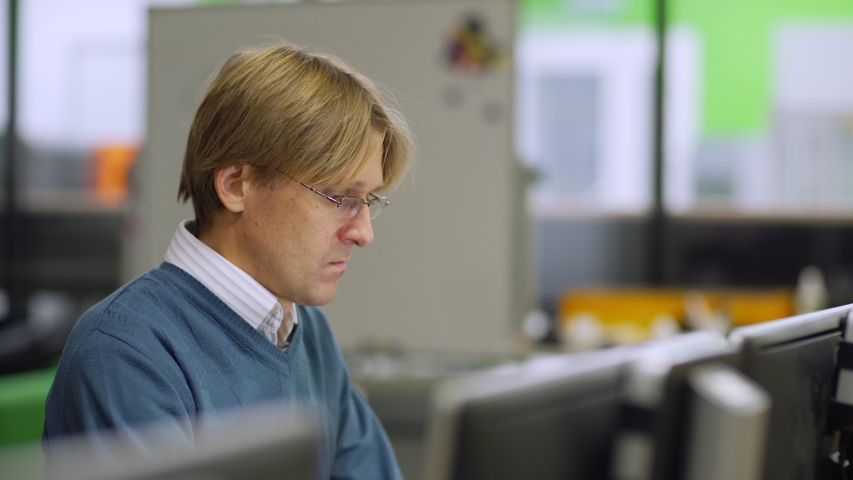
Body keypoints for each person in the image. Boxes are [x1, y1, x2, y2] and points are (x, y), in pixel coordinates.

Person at [42, 43, 413, 480]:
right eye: (340, 199)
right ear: (237, 185)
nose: (364, 234)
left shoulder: (305, 332)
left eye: (368, 201)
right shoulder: (126, 353)